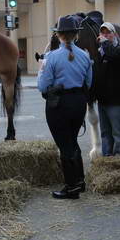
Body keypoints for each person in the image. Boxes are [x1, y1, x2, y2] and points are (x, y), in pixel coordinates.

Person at [38, 15, 92, 199]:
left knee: (65, 145)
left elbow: (42, 86)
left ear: (59, 35)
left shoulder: (51, 57)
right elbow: (89, 82)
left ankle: (72, 187)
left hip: (59, 104)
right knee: (72, 141)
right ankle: (80, 181)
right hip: (78, 102)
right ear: (76, 35)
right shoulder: (85, 55)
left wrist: (41, 67)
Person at [94, 22, 120, 156]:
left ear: (114, 34)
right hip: (103, 101)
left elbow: (113, 55)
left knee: (118, 133)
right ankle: (107, 161)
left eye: (108, 32)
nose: (106, 35)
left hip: (117, 101)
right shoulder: (100, 53)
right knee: (105, 134)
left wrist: (104, 43)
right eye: (103, 33)